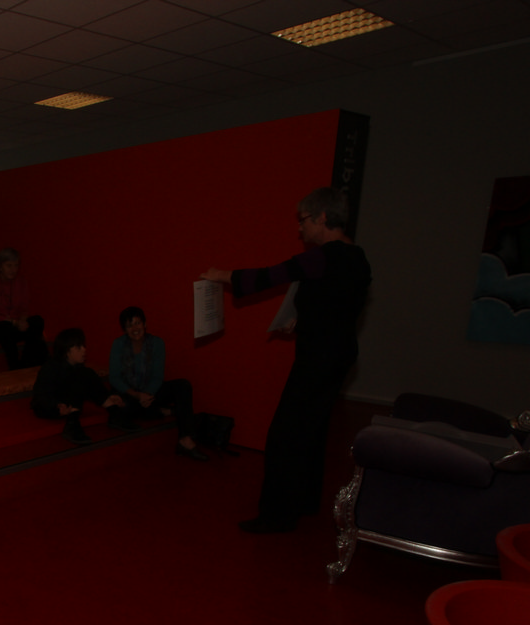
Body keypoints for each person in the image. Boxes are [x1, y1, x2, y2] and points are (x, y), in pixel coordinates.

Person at [202, 186, 371, 533]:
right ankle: (304, 501)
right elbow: (336, 307)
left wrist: (222, 275)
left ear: (322, 217)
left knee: (286, 434)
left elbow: (270, 276)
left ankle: (276, 515)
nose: (299, 228)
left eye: (303, 220)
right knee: (312, 430)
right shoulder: (358, 257)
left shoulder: (323, 256)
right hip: (339, 356)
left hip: (317, 360)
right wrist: (301, 321)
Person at [108, 306, 208, 461]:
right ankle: (160, 411)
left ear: (145, 324)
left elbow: (157, 376)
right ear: (125, 330)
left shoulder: (157, 343)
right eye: (129, 326)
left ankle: (185, 440)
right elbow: (114, 378)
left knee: (183, 385)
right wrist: (137, 395)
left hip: (150, 392)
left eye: (137, 323)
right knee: (121, 405)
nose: (135, 329)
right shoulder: (118, 344)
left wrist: (147, 394)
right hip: (129, 393)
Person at [32, 328, 137, 446]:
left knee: (87, 373)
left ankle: (113, 411)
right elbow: (41, 396)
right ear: (67, 351)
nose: (84, 350)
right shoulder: (50, 368)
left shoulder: (78, 368)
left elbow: (88, 389)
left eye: (83, 346)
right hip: (50, 407)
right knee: (79, 376)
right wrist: (56, 405)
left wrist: (108, 397)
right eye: (79, 347)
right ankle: (72, 424)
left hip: (67, 404)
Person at [0, 247, 48, 369]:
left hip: (15, 324)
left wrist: (22, 320)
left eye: (16, 266)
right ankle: (15, 368)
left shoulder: (21, 282)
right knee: (6, 330)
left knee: (37, 322)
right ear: (0, 267)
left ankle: (27, 364)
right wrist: (14, 322)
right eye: (9, 266)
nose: (13, 270)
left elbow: (24, 307)